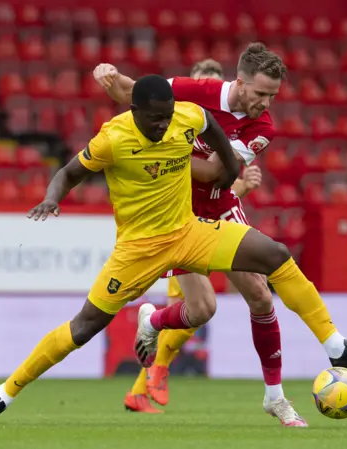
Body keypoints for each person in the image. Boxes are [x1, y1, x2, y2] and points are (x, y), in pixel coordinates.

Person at [0, 74, 347, 425]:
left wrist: (227, 168)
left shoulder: (185, 116)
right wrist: (54, 197)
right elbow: (69, 172)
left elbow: (209, 125)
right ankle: (3, 394)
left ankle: (337, 347)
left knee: (275, 254)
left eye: (166, 117)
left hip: (188, 232)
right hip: (139, 249)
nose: (163, 125)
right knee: (84, 327)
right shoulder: (113, 138)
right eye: (154, 119)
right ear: (135, 111)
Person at [94, 44, 347, 426]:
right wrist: (109, 78)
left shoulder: (261, 128)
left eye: (273, 96)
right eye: (261, 93)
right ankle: (153, 323)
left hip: (220, 210)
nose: (265, 104)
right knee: (201, 310)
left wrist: (165, 156)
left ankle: (276, 396)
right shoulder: (194, 90)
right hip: (176, 215)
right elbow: (134, 93)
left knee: (262, 295)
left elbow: (217, 172)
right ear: (240, 81)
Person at [120, 58, 264, 416]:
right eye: (202, 83)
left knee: (208, 307)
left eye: (213, 84)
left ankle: (143, 386)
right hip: (179, 220)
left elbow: (218, 182)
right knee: (195, 311)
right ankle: (150, 378)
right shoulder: (173, 124)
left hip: (213, 216)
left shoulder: (226, 127)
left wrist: (240, 186)